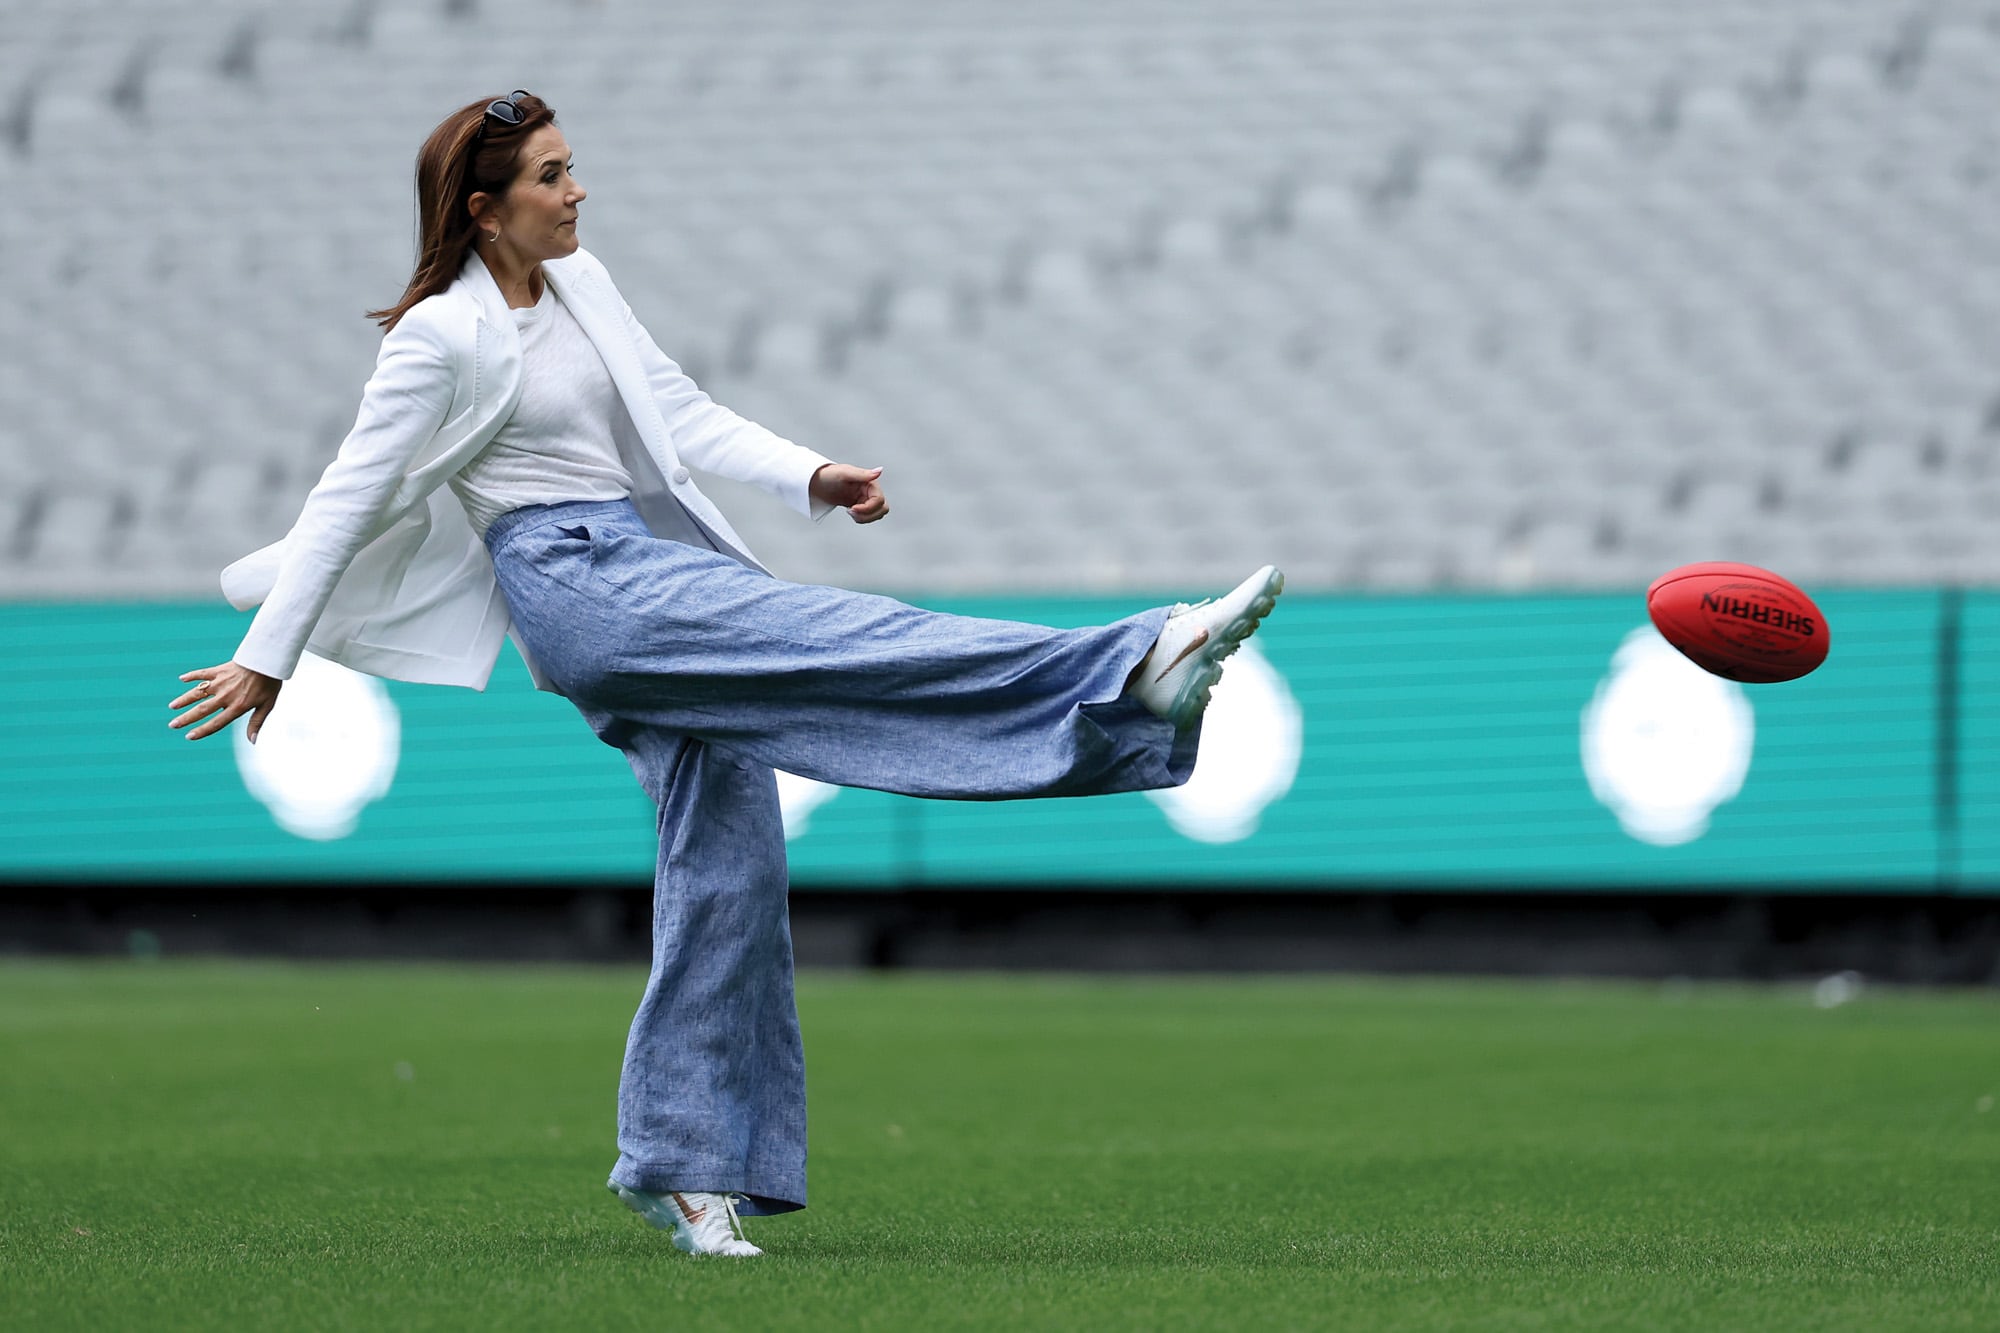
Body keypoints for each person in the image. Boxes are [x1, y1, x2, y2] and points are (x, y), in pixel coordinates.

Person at [167, 91, 1283, 1258]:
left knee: (730, 862)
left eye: (571, 167)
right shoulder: (435, 337)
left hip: (632, 559)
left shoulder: (582, 286)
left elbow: (679, 413)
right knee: (839, 637)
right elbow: (349, 494)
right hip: (574, 587)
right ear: (486, 211)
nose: (576, 190)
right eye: (549, 177)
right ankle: (1129, 666)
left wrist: (812, 474)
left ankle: (684, 1167)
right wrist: (267, 657)